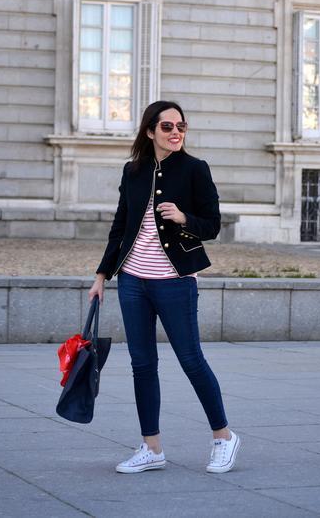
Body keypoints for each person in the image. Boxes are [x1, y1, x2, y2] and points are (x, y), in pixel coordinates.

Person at [89, 100, 240, 474]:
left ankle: (224, 437)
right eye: (168, 127)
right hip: (133, 282)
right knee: (142, 364)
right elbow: (121, 226)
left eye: (181, 127)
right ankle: (151, 447)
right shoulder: (134, 170)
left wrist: (183, 217)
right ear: (150, 131)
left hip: (175, 282)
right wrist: (101, 276)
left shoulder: (195, 170)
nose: (176, 133)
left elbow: (213, 224)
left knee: (191, 360)